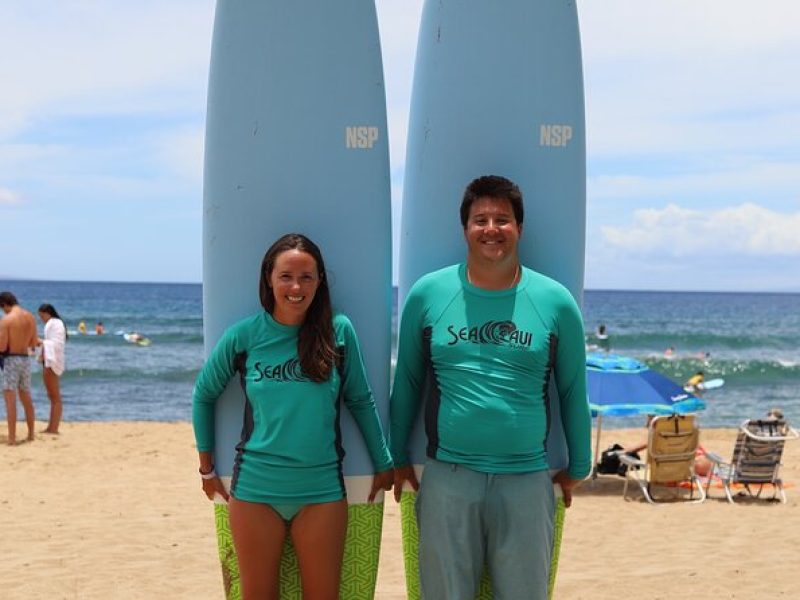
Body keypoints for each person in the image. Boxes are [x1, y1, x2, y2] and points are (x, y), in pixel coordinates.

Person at [390, 175, 592, 599]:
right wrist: (396, 456)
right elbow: (408, 380)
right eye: (480, 219)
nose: (491, 229)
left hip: (526, 480)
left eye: (503, 219)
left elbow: (573, 388)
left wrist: (579, 465)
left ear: (519, 228)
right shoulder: (428, 294)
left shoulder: (554, 301)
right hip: (448, 476)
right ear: (464, 228)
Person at [192, 233, 393, 599]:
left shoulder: (338, 332)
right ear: (269, 277)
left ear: (320, 282)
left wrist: (384, 462)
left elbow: (361, 400)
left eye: (306, 277)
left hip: (321, 491)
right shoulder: (245, 336)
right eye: (286, 276)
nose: (296, 287)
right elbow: (204, 394)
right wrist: (206, 468)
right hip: (256, 490)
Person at [0, 291, 39, 445]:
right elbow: (34, 342)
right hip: (25, 359)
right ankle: (30, 434)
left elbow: (2, 346)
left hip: (11, 359)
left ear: (4, 305)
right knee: (26, 397)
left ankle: (12, 438)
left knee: (10, 399)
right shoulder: (30, 317)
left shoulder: (7, 320)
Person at [37, 304, 67, 434]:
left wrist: (41, 342)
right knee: (51, 395)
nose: (41, 319)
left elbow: (57, 344)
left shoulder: (56, 323)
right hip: (48, 360)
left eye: (42, 316)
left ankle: (53, 428)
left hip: (52, 361)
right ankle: (51, 427)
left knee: (55, 396)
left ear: (48, 313)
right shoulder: (53, 324)